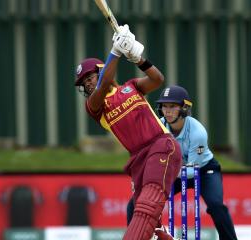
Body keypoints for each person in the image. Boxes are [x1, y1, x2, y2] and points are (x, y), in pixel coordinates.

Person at [74, 24, 182, 240]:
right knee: (152, 226)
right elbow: (103, 85)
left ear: (101, 70)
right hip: (138, 161)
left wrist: (137, 58)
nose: (87, 84)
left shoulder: (131, 87)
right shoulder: (95, 106)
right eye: (83, 82)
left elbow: (157, 80)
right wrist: (116, 51)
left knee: (146, 207)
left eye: (89, 78)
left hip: (160, 146)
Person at [127, 85, 238, 240]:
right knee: (137, 202)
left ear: (184, 108)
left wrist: (164, 173)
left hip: (204, 170)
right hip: (174, 172)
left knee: (216, 205)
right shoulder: (158, 127)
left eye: (172, 106)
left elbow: (192, 170)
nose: (167, 111)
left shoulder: (197, 133)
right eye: (164, 106)